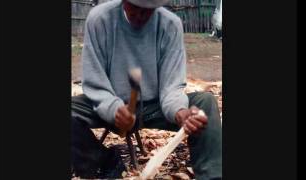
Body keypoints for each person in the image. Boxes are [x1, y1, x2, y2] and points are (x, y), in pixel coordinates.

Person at [71, 0, 222, 179]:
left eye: (148, 10)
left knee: (205, 103)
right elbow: (95, 82)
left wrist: (180, 111)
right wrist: (114, 109)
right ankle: (103, 162)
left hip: (153, 106)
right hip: (109, 104)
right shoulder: (100, 20)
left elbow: (171, 85)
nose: (141, 15)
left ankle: (211, 175)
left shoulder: (170, 25)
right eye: (135, 8)